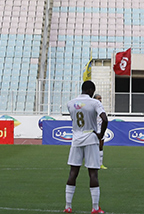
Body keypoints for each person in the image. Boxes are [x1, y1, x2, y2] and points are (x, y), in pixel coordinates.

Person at [64, 80, 107, 214]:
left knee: (73, 173)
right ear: (90, 90)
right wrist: (100, 135)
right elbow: (105, 119)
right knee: (93, 173)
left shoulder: (70, 103)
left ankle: (68, 206)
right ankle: (95, 207)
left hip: (76, 140)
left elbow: (73, 120)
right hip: (90, 139)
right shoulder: (95, 102)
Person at [93, 94, 107, 170]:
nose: (100, 100)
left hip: (100, 128)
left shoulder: (101, 107)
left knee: (101, 147)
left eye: (100, 98)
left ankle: (100, 164)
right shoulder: (92, 107)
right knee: (91, 147)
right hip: (94, 129)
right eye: (98, 98)